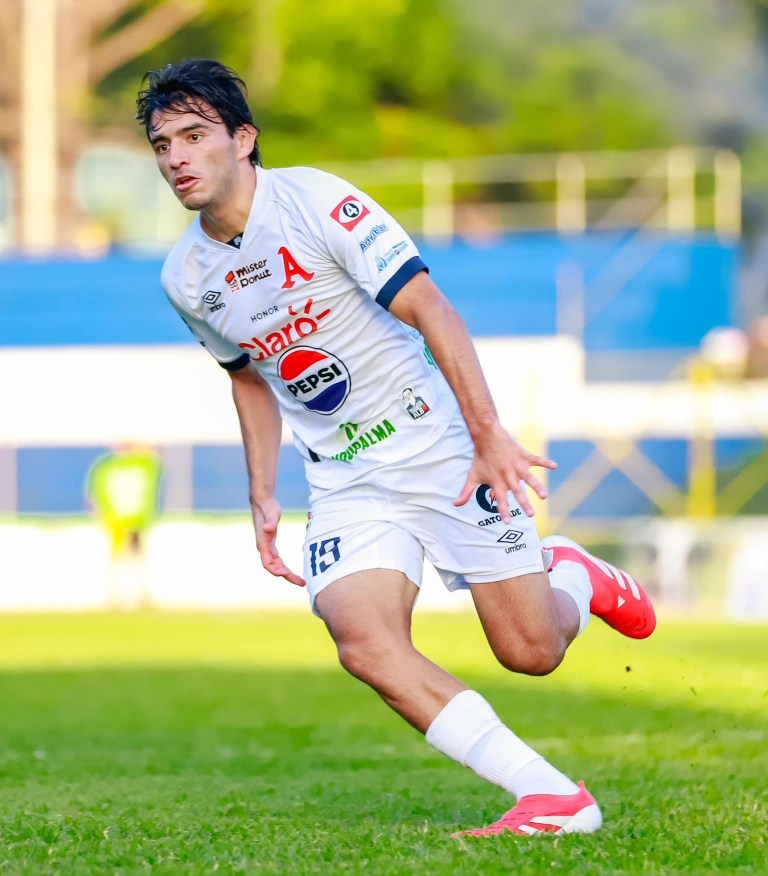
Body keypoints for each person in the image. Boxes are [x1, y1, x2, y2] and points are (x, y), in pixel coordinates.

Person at [135, 59, 656, 837]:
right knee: (363, 639)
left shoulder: (316, 202)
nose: (177, 156)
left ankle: (573, 578)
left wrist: (488, 437)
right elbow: (248, 376)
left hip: (438, 447)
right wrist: (263, 491)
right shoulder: (186, 276)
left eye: (195, 135)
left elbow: (432, 309)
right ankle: (553, 797)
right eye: (162, 143)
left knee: (532, 650)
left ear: (244, 139)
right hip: (346, 478)